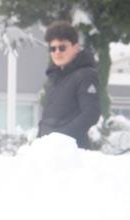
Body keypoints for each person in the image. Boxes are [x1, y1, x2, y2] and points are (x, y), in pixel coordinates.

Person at [37, 20, 101, 149]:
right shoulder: (54, 78)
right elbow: (50, 118)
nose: (57, 52)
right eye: (52, 48)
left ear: (75, 47)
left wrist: (61, 138)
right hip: (47, 151)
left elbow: (91, 113)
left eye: (62, 47)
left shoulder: (85, 75)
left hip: (72, 153)